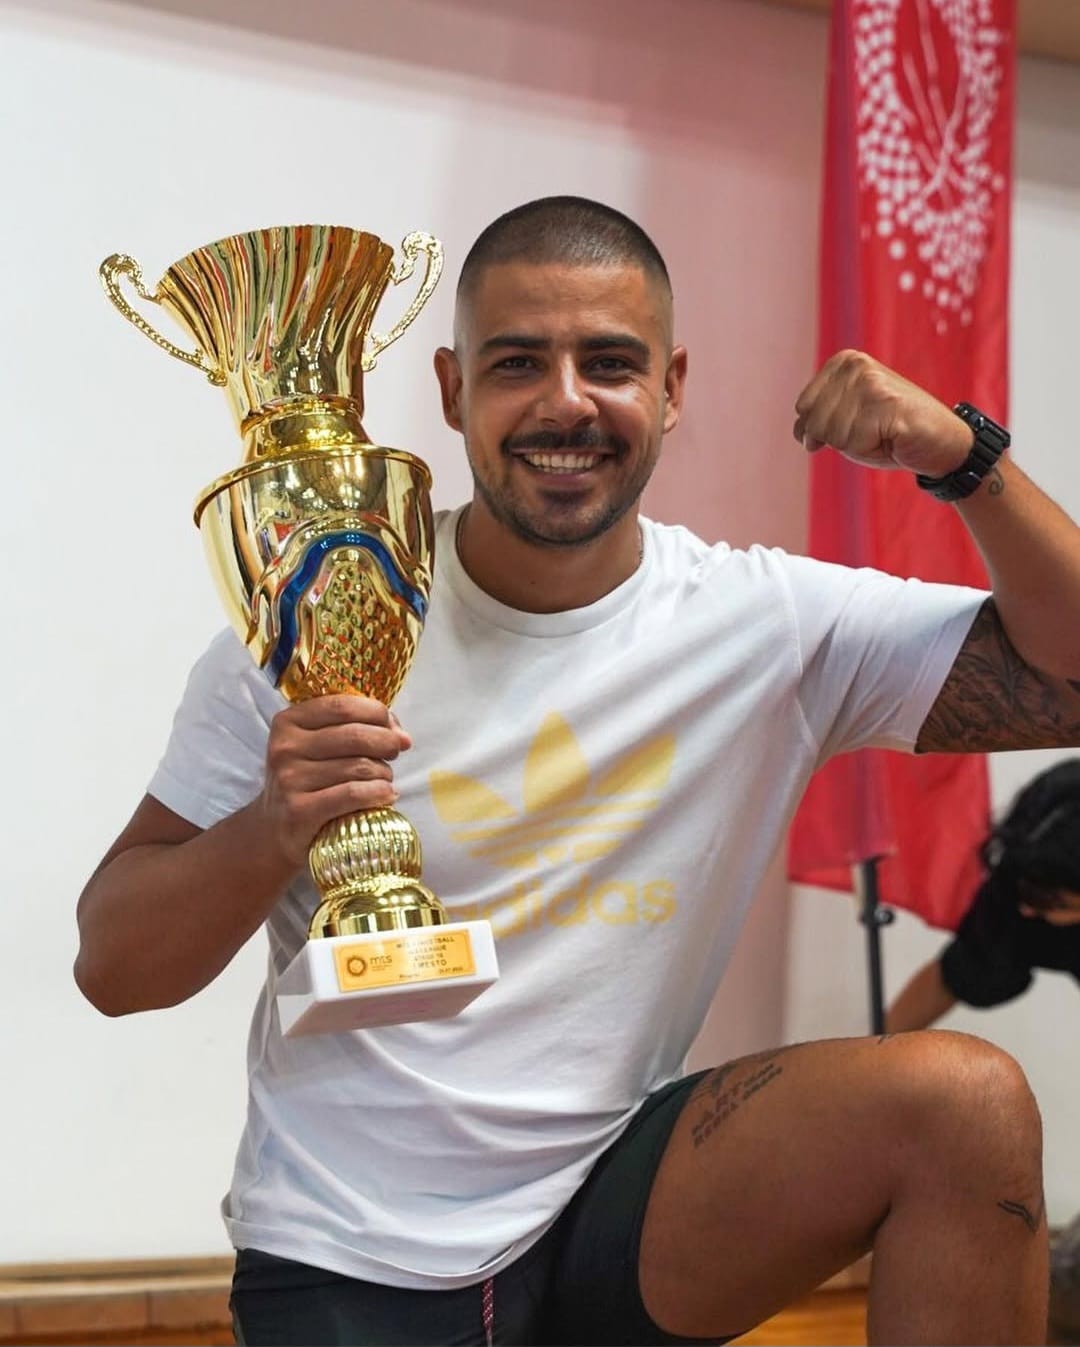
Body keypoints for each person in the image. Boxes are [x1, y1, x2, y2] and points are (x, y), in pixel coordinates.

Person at [74, 196, 1080, 1346]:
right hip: (350, 1248)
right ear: (452, 389)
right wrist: (269, 827)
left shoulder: (768, 622)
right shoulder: (294, 629)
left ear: (671, 386)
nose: (566, 401)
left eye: (610, 362)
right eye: (518, 363)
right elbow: (115, 969)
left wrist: (966, 460)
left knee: (965, 1107)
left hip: (621, 1212)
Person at [886, 759, 1080, 1035]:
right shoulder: (1020, 877)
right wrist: (872, 1052)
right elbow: (953, 976)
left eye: (1051, 901)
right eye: (1028, 894)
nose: (1028, 909)